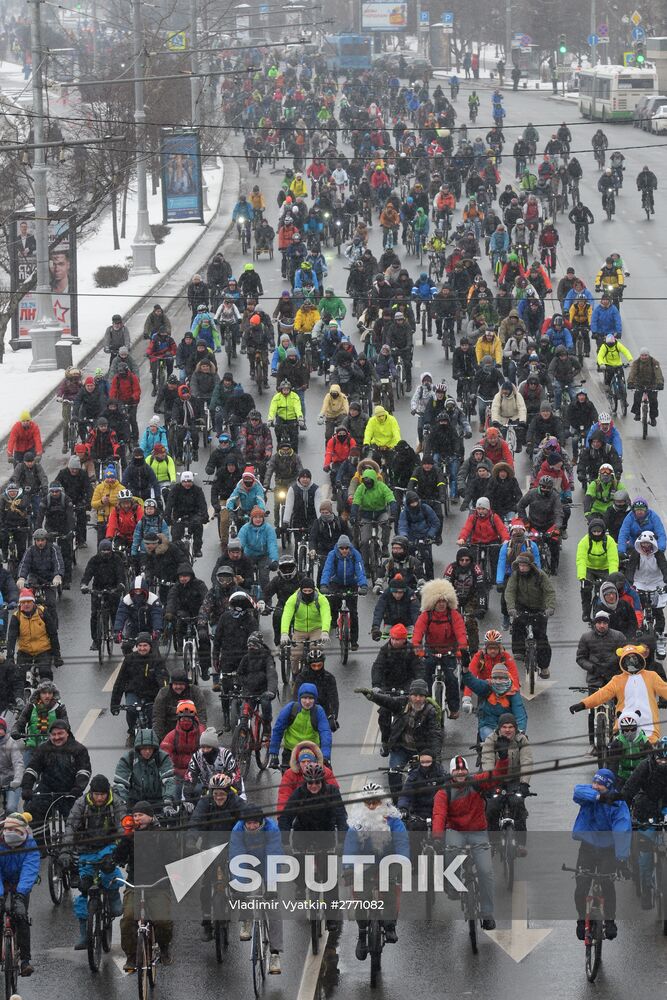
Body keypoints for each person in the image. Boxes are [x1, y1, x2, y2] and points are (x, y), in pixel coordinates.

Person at [432, 755, 498, 929]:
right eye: (456, 770)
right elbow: (439, 814)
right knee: (451, 849)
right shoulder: (444, 791)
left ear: (467, 771)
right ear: (452, 772)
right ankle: (452, 885)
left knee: (486, 871)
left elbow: (496, 775)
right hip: (456, 830)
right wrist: (438, 837)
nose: (460, 773)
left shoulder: (476, 782)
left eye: (463, 770)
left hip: (478, 832)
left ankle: (487, 913)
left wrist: (503, 758)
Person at [343, 782, 409, 955]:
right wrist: (349, 867)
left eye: (375, 802)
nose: (372, 806)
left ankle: (389, 926)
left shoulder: (393, 820)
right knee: (361, 897)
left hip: (389, 860)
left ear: (382, 802)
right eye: (368, 803)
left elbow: (402, 841)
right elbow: (350, 845)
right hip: (363, 862)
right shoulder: (357, 823)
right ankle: (362, 934)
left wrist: (403, 861)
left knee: (389, 889)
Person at [62, 774, 124, 949]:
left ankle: (113, 897)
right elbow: (70, 827)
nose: (99, 798)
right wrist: (66, 851)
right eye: (96, 794)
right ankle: (84, 933)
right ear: (91, 793)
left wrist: (118, 851)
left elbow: (122, 827)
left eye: (102, 794)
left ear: (107, 793)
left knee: (109, 872)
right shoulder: (81, 804)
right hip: (85, 850)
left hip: (108, 846)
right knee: (84, 888)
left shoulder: (116, 803)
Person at [570, 768, 631, 941]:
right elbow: (578, 791)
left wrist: (621, 858)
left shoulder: (618, 804)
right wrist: (598, 796)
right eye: (594, 782)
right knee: (581, 887)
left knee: (607, 883)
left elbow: (622, 830)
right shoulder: (590, 797)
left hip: (607, 851)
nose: (595, 786)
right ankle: (581, 921)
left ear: (609, 786)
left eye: (599, 784)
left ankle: (610, 921)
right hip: (587, 848)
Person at [570, 644, 667, 743]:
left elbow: (665, 689)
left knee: (651, 752)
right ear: (622, 661)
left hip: (649, 727)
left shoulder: (652, 676)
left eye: (634, 658)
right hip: (623, 726)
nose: (631, 661)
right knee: (618, 750)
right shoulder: (617, 680)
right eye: (628, 658)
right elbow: (602, 694)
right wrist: (583, 704)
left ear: (640, 658)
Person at [229, 806, 283, 973]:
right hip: (246, 864)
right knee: (242, 893)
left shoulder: (271, 829)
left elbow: (274, 855)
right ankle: (246, 920)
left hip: (268, 864)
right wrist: (239, 886)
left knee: (273, 907)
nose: (251, 827)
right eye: (249, 823)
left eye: (254, 823)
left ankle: (275, 954)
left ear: (261, 822)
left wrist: (271, 885)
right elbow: (237, 856)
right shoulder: (238, 829)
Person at [21, 719, 91, 830]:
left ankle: (73, 845)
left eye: (60, 733)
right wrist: (27, 787)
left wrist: (78, 788)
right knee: (32, 814)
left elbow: (84, 771)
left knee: (76, 822)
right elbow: (32, 769)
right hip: (47, 788)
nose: (57, 737)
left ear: (67, 733)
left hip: (70, 790)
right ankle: (41, 844)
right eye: (53, 734)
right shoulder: (43, 749)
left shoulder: (79, 749)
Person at [5, 588, 62, 702]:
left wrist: (57, 656)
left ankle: (49, 699)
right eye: (23, 602)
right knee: (18, 676)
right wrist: (10, 658)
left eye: (28, 602)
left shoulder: (43, 612)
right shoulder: (16, 617)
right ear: (20, 604)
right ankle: (19, 701)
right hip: (25, 651)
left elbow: (53, 634)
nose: (26, 605)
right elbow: (11, 639)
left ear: (33, 602)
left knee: (45, 672)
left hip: (43, 650)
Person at [0, 811, 39, 976]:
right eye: (10, 830)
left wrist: (21, 894)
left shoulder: (31, 845)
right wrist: (1, 894)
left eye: (17, 831)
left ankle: (25, 961)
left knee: (21, 916)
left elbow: (30, 870)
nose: (13, 834)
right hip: (2, 882)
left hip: (20, 884)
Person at [505, 551, 556, 677]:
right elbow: (510, 592)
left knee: (542, 638)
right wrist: (511, 608)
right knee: (517, 625)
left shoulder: (540, 576)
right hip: (521, 607)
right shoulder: (515, 576)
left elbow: (549, 592)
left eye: (524, 565)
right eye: (520, 565)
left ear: (531, 565)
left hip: (539, 608)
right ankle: (519, 651)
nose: (522, 568)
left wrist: (550, 608)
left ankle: (544, 667)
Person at [110, 632, 167, 741]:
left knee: (153, 714)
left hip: (152, 694)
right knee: (131, 710)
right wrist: (114, 704)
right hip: (134, 692)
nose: (142, 648)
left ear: (150, 646)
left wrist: (164, 699)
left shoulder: (157, 660)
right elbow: (120, 682)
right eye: (139, 646)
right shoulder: (129, 659)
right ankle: (131, 732)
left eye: (145, 645)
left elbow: (163, 680)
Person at [320, 534, 367, 651]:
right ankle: (334, 621)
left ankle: (354, 641)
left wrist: (363, 585)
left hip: (351, 583)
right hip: (336, 582)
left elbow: (360, 570)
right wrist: (324, 584)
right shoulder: (332, 555)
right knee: (333, 602)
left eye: (347, 548)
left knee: (354, 613)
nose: (344, 550)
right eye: (342, 548)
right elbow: (327, 570)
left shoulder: (355, 555)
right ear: (338, 548)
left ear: (350, 547)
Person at [165, 471, 208, 558]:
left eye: (189, 481)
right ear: (181, 482)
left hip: (194, 515)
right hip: (179, 515)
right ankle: (175, 553)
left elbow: (202, 504)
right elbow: (169, 504)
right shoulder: (175, 489)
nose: (187, 484)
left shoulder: (198, 490)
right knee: (175, 533)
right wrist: (167, 517)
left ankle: (197, 549)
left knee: (198, 527)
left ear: (192, 481)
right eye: (184, 481)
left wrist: (204, 516)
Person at [627, 347, 663, 426]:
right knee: (637, 398)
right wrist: (630, 382)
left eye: (645, 355)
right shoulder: (636, 363)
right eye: (642, 355)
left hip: (652, 384)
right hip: (639, 384)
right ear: (640, 356)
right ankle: (637, 414)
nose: (644, 357)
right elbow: (632, 373)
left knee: (653, 401)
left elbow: (658, 373)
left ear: (648, 355)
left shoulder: (654, 362)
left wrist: (660, 383)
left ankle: (653, 418)